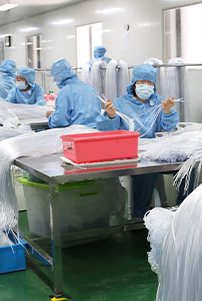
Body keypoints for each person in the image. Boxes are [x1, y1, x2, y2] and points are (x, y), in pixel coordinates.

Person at [97, 63, 178, 218]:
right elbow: (107, 130)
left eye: (149, 83)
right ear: (134, 83)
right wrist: (110, 116)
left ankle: (184, 208)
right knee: (147, 172)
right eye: (142, 82)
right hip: (132, 153)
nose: (145, 86)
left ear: (154, 85)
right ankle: (139, 215)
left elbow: (169, 127)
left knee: (186, 169)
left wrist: (167, 111)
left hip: (156, 152)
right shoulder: (121, 103)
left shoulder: (160, 102)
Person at [45, 59, 101, 128]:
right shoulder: (89, 87)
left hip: (77, 132)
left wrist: (51, 116)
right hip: (96, 130)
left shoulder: (65, 91)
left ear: (58, 77)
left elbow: (60, 121)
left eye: (55, 78)